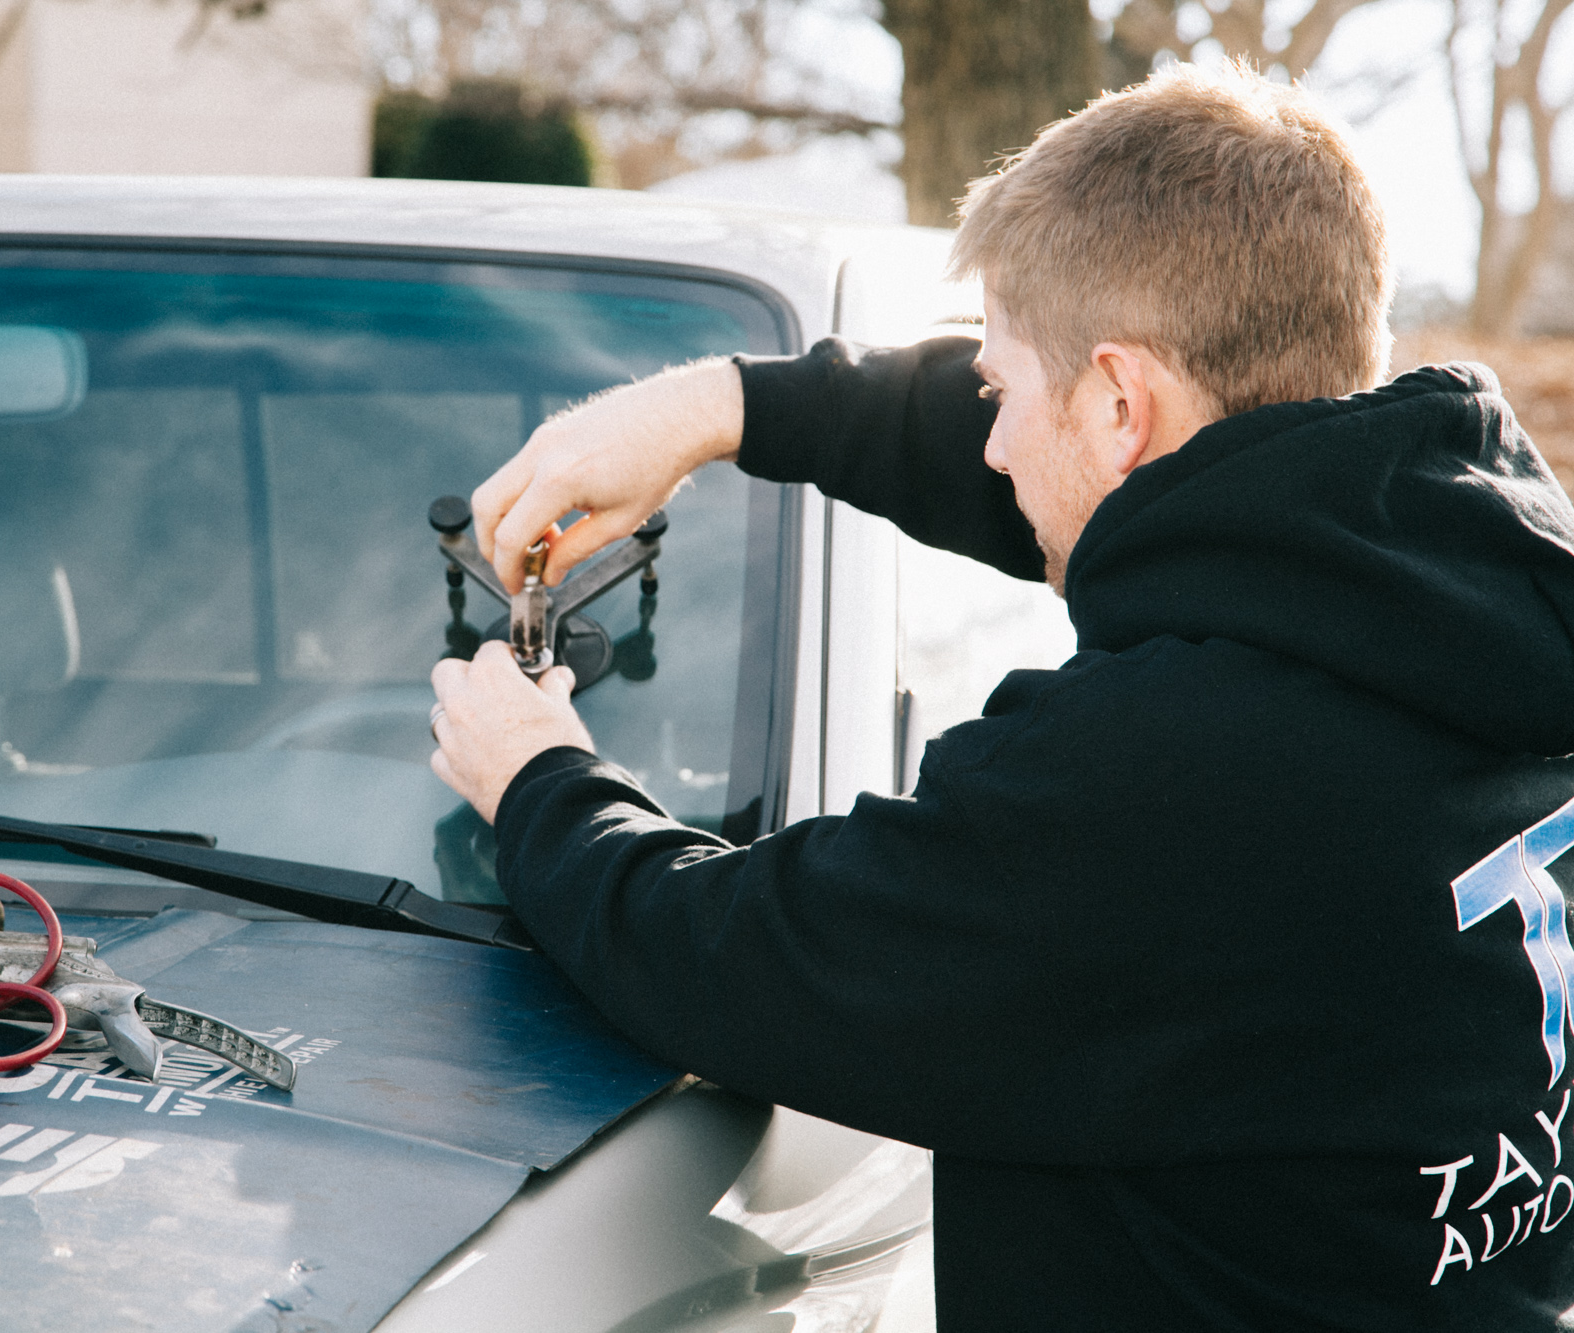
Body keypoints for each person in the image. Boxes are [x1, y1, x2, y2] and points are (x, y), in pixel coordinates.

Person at [427, 60, 1574, 1332]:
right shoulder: (1473, 583)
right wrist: (724, 406)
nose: (985, 440)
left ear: (1118, 399)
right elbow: (1115, 495)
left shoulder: (1158, 784)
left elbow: (738, 954)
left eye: (1002, 392)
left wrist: (535, 774)